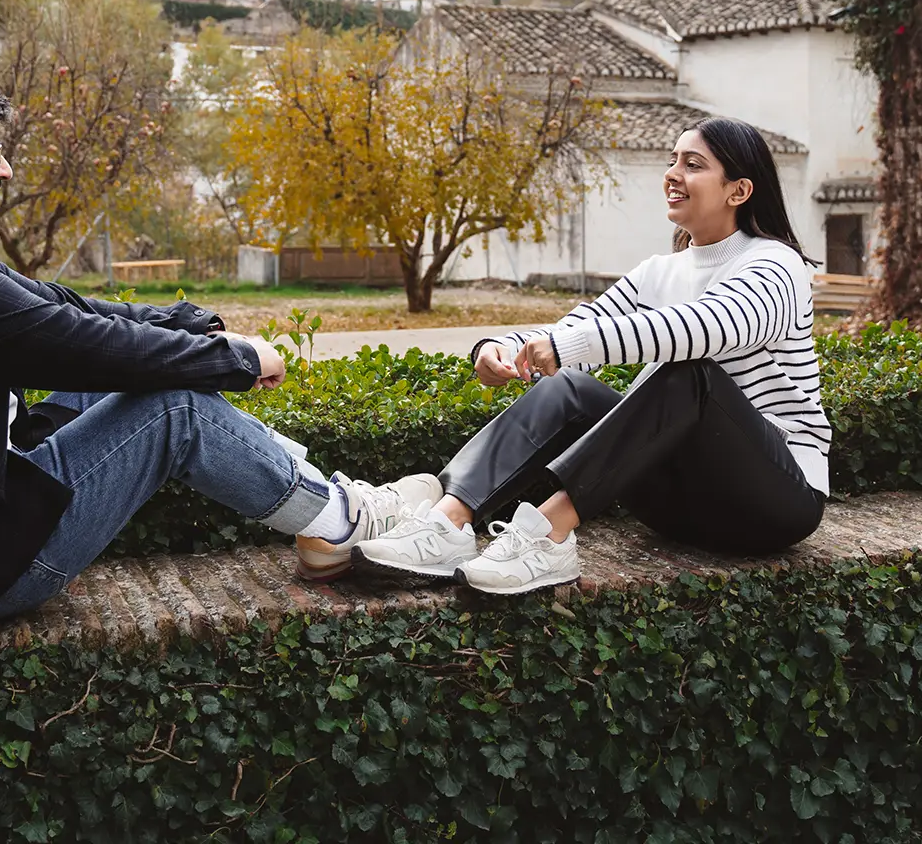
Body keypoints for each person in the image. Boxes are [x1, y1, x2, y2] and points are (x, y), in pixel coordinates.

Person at [0, 62, 438, 626]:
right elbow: (80, 340)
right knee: (174, 410)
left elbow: (62, 306)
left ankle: (316, 499)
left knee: (117, 374)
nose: (5, 168)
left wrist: (185, 322)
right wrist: (238, 360)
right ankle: (339, 521)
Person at [352, 117, 829, 594]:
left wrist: (568, 347)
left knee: (689, 373)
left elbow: (713, 326)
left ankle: (546, 536)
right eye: (671, 160)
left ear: (739, 190)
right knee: (567, 387)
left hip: (774, 502)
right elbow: (576, 329)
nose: (672, 173)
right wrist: (501, 346)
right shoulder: (658, 272)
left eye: (693, 164)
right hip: (680, 506)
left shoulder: (774, 264)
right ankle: (446, 525)